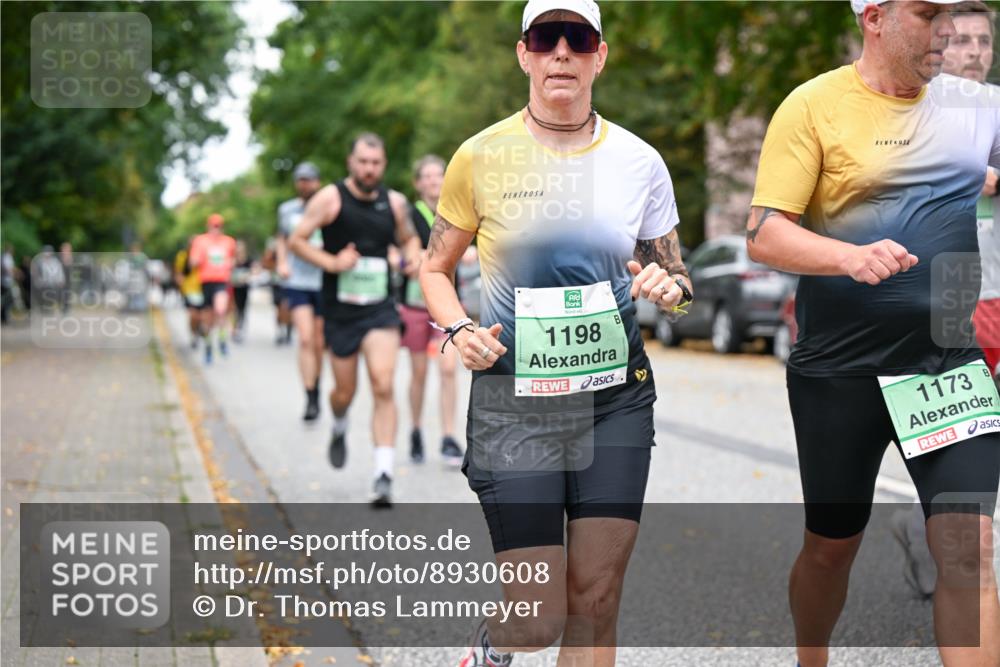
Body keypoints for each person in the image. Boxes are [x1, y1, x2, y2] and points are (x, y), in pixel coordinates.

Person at [420, 2, 692, 665]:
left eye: (579, 39)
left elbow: (677, 275)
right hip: (515, 405)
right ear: (524, 54)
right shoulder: (479, 156)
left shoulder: (639, 161)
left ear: (600, 55)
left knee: (596, 598)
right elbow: (434, 267)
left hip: (615, 400)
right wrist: (456, 327)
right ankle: (493, 647)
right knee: (537, 618)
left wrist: (670, 288)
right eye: (547, 38)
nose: (562, 52)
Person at [746, 1, 1000, 665]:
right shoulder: (814, 105)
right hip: (841, 369)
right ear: (876, 17)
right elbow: (765, 233)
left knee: (968, 547)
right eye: (927, 13)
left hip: (946, 361)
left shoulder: (977, 107)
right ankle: (811, 654)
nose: (945, 28)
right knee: (832, 546)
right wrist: (847, 256)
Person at [890, 0, 1000, 601]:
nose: (975, 53)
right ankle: (931, 528)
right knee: (960, 435)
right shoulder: (916, 106)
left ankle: (944, 531)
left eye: (985, 41)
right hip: (949, 293)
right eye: (963, 41)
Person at [290, 133, 422, 507]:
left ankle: (383, 473)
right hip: (341, 311)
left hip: (380, 308)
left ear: (383, 165)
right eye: (363, 162)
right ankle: (340, 421)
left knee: (383, 383)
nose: (369, 169)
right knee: (343, 392)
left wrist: (408, 257)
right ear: (351, 162)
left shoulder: (394, 203)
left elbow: (409, 238)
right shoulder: (330, 198)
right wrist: (332, 263)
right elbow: (298, 240)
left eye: (376, 163)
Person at [399, 154, 465, 465]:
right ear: (417, 182)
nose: (433, 181)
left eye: (438, 175)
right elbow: (407, 259)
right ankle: (415, 430)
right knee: (419, 373)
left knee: (449, 368)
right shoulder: (409, 214)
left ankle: (449, 437)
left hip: (450, 302)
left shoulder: (457, 211)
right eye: (426, 176)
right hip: (414, 303)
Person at [277, 162, 326, 420]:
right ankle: (309, 396)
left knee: (319, 342)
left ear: (317, 182)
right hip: (297, 281)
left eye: (310, 179)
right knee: (305, 338)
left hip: (324, 280)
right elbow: (283, 239)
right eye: (301, 180)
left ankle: (317, 387)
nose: (305, 184)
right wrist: (282, 262)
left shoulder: (328, 205)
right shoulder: (287, 210)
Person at [189, 214, 236, 365]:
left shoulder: (229, 242)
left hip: (221, 281)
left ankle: (222, 340)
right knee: (207, 319)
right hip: (205, 282)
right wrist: (197, 260)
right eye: (213, 226)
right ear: (208, 226)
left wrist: (230, 266)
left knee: (221, 309)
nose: (216, 229)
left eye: (219, 226)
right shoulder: (200, 241)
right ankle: (208, 347)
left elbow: (232, 259)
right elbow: (193, 261)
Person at [174, 237, 204, 349]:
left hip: (203, 289)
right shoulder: (183, 256)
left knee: (201, 316)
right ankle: (193, 335)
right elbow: (178, 272)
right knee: (193, 315)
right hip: (189, 290)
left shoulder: (204, 255)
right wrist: (180, 285)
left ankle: (199, 329)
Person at [231, 240, 252, 344]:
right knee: (234, 310)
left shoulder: (247, 261)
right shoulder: (232, 260)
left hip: (244, 288)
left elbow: (253, 271)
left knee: (242, 310)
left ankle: (241, 328)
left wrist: (247, 276)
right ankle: (235, 330)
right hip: (233, 288)